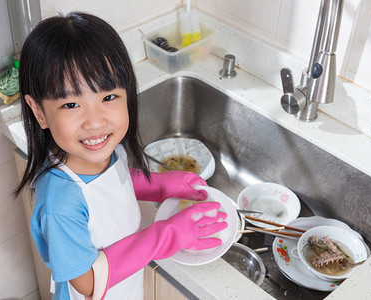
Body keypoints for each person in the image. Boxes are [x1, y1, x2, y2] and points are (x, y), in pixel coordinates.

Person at [14, 12, 228, 300]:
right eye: (71, 104)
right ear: (39, 111)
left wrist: (159, 184)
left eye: (108, 97)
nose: (95, 121)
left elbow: (112, 184)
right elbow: (88, 283)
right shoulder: (61, 203)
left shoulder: (107, 149)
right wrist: (167, 236)